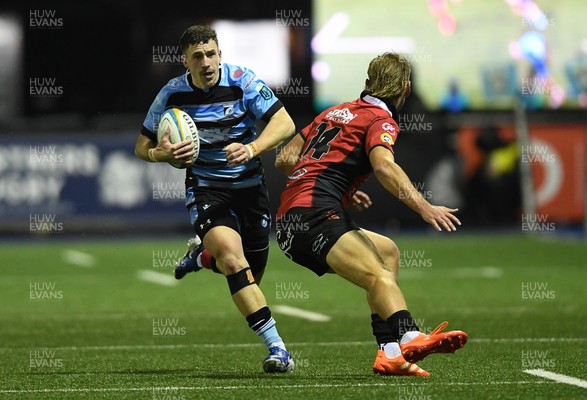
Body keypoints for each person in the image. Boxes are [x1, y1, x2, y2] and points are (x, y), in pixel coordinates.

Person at [274, 53, 468, 376]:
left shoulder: (333, 111)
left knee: (387, 253)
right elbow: (384, 166)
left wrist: (337, 185)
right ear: (405, 89)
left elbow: (284, 159)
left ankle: (389, 352)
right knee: (378, 276)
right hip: (315, 216)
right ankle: (409, 334)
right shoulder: (381, 120)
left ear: (367, 83)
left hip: (292, 220)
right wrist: (424, 207)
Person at [134, 24, 296, 373]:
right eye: (197, 56)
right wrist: (162, 156)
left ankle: (202, 257)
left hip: (250, 188)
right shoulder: (171, 95)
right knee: (235, 263)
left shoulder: (243, 81)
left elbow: (285, 124)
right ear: (185, 62)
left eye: (211, 54)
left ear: (219, 54)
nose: (206, 62)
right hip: (207, 189)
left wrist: (253, 148)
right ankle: (278, 349)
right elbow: (142, 147)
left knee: (249, 273)